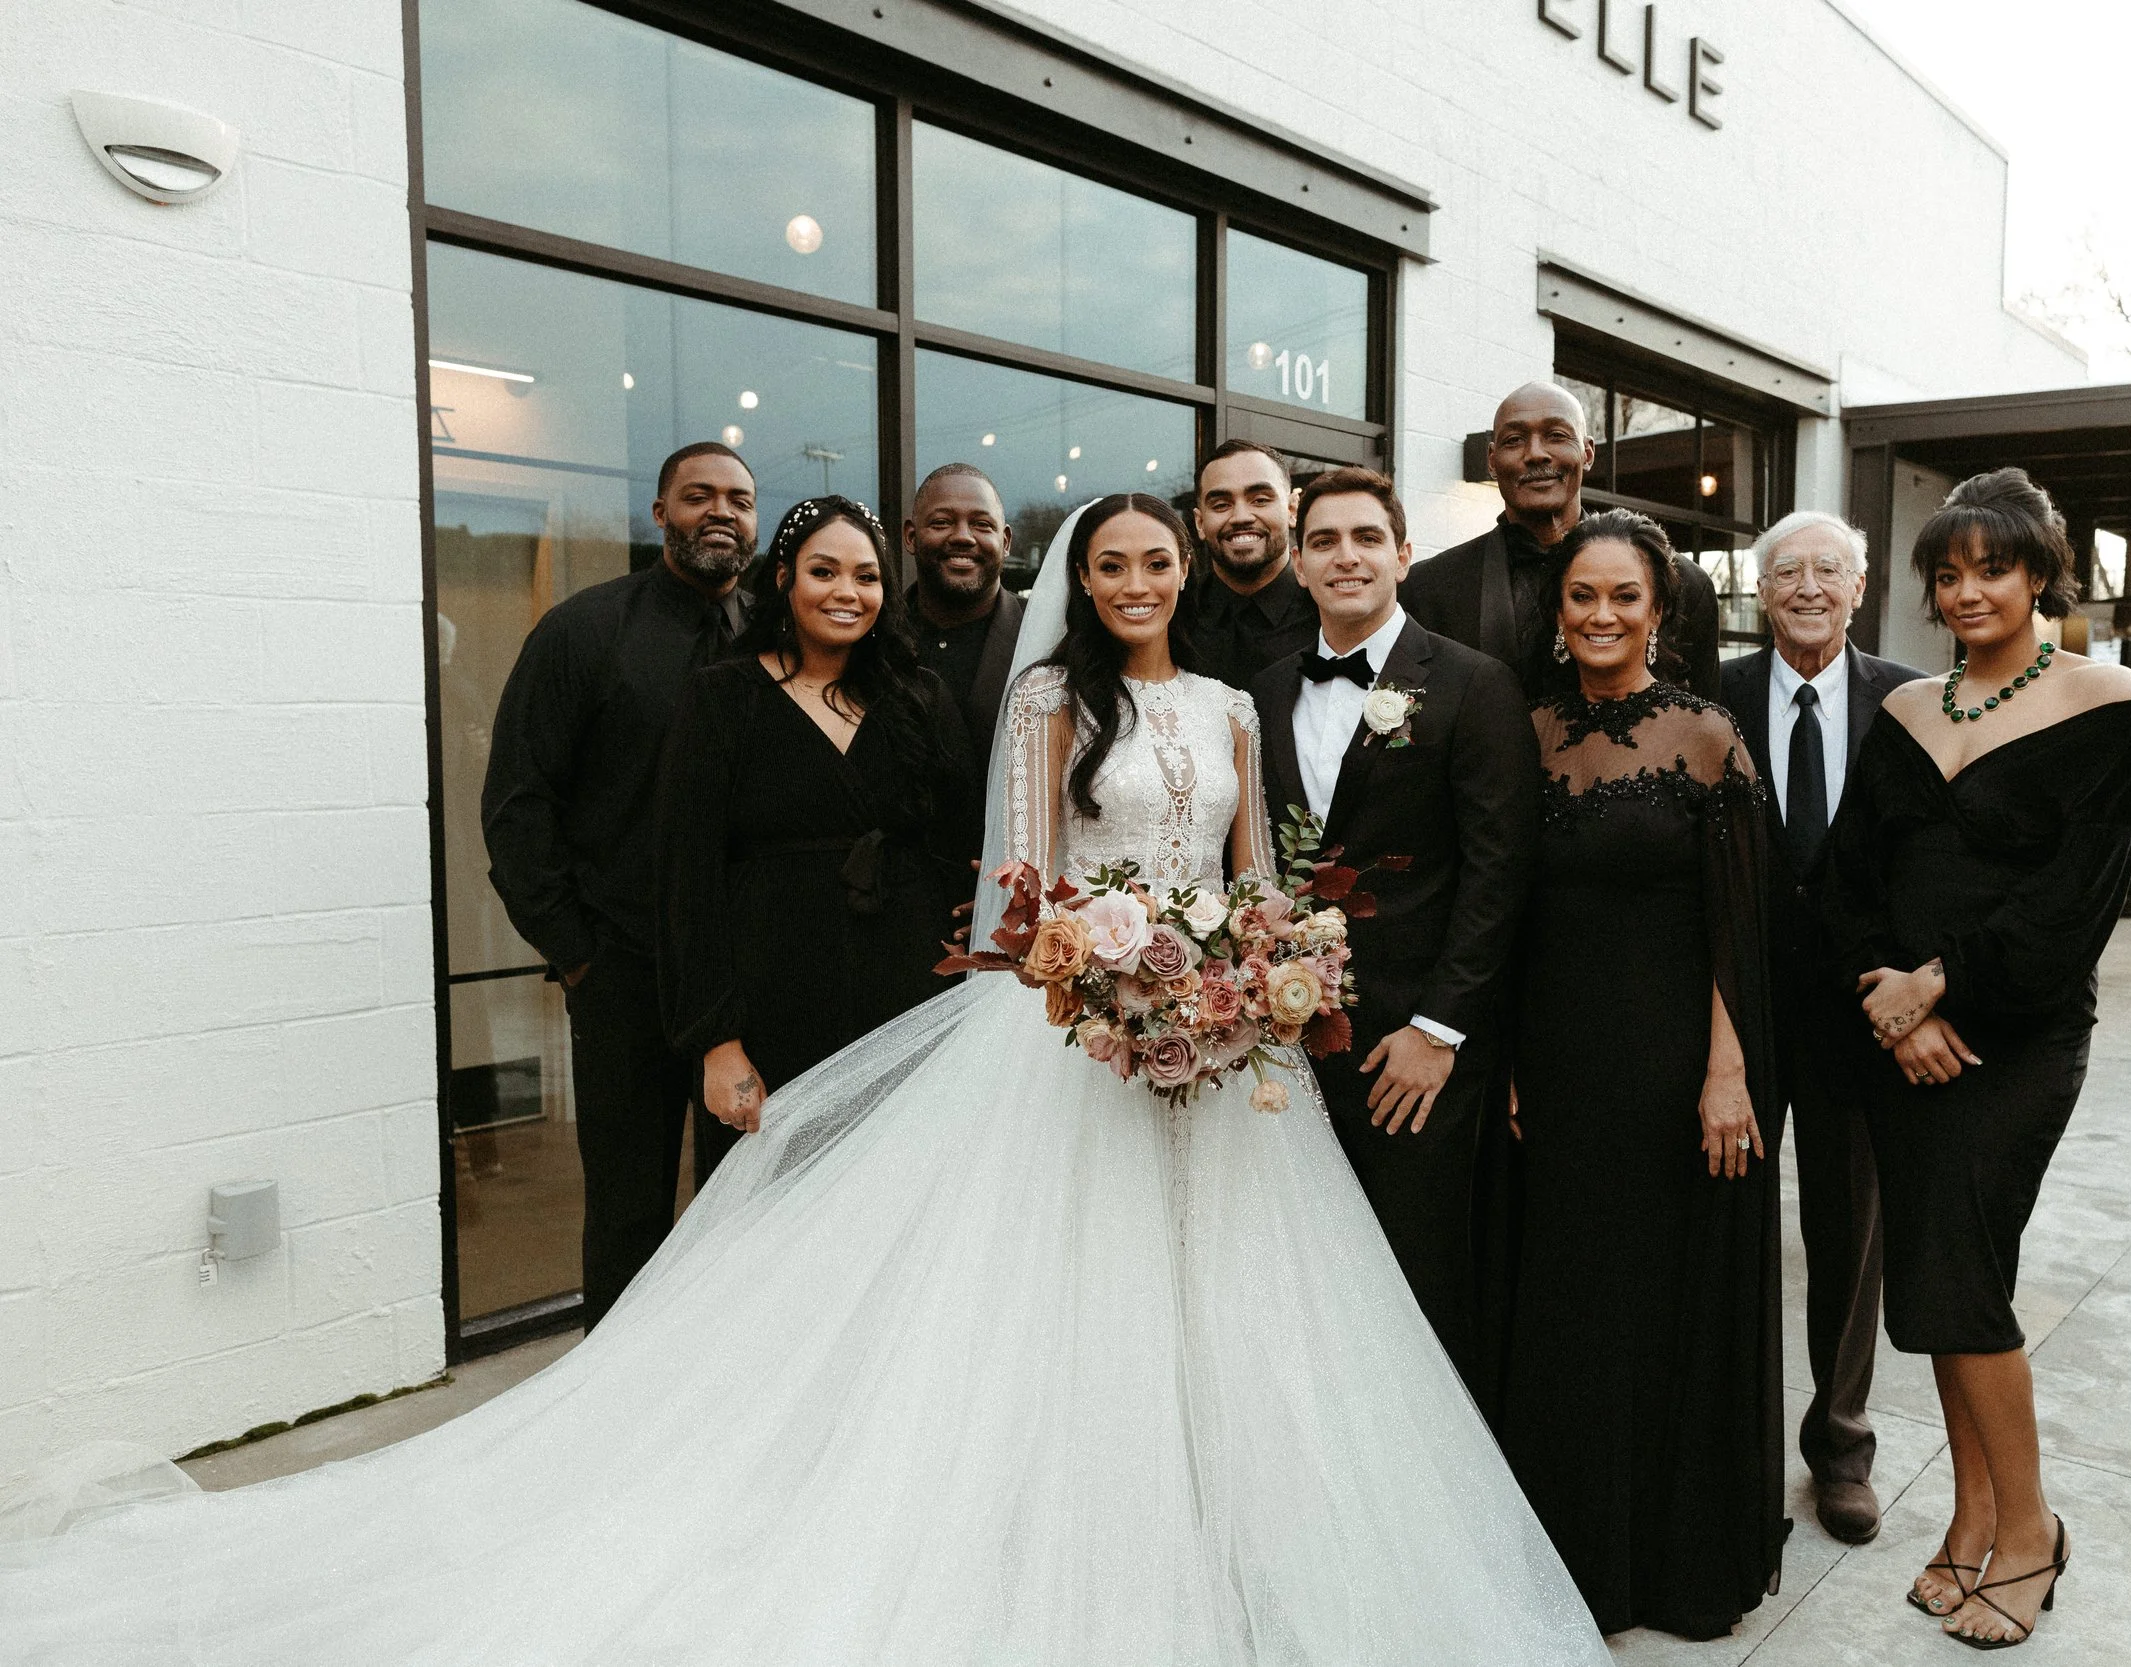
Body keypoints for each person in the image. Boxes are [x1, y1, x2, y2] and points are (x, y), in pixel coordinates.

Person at [0, 496, 1612, 1667]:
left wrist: (1254, 972)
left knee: (1238, 1301)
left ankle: (1240, 1529)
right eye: (1113, 559)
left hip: (1223, 1049)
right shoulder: (1054, 698)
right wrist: (1109, 980)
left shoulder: (1233, 707)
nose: (1137, 578)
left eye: (1157, 560)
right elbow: (1020, 889)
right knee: (1055, 1308)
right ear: (1087, 578)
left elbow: (1261, 873)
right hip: (1075, 1038)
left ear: (1189, 571)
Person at [1819, 468, 2131, 1650]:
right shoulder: (1908, 711)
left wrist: (1940, 982)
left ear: (2040, 574)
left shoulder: (2101, 700)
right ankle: (1969, 1522)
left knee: (1962, 1283)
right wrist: (1890, 1003)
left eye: (1990, 569)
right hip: (1900, 1040)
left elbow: (2078, 898)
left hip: (2015, 1041)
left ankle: (2033, 1531)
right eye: (1946, 574)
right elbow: (1847, 881)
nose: (1966, 592)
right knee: (1933, 1291)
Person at [1498, 509, 1786, 1640]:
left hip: (1677, 1067)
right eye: (1582, 597)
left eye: (1625, 596)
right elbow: (1505, 916)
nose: (1603, 615)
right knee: (1570, 1306)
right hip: (1557, 1068)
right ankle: (1578, 1558)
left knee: (1668, 1301)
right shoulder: (1517, 732)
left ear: (1660, 611)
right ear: (1556, 612)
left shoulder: (1707, 737)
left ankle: (1672, 1560)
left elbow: (1743, 927)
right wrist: (1512, 1059)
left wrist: (1729, 1072)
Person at [1248, 468, 1541, 1407]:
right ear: (1298, 564)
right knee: (1298, 1278)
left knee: (1414, 1285)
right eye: (1324, 541)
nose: (1346, 556)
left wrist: (1440, 1029)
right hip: (1289, 1050)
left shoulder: (1472, 683)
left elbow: (1500, 874)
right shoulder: (1259, 692)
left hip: (1412, 1054)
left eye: (1366, 537)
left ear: (1403, 555)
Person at [480, 440, 756, 1329]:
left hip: (744, 977)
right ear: (660, 514)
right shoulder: (583, 630)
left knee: (748, 1197)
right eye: (698, 496)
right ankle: (617, 1412)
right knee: (631, 1210)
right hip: (624, 973)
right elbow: (518, 803)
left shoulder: (777, 637)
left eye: (739, 500)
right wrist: (577, 955)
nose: (721, 512)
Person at [1718, 510, 1920, 1548]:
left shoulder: (1911, 701)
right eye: (1785, 571)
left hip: (1856, 1015)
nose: (1805, 586)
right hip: (1739, 1010)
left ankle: (1839, 1446)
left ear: (1858, 582)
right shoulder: (1718, 696)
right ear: (1761, 593)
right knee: (1730, 1223)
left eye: (1824, 570)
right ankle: (1731, 1447)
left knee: (1848, 1233)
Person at [655, 495, 978, 1141]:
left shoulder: (922, 696)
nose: (847, 592)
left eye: (867, 576)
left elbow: (960, 848)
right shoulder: (721, 697)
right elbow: (685, 879)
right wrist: (717, 1043)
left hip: (907, 995)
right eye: (824, 571)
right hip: (771, 1004)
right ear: (784, 579)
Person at [1400, 381, 1719, 700]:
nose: (1536, 454)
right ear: (1492, 461)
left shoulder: (1683, 583)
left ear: (1588, 452)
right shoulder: (1426, 588)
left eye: (1556, 436)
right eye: (1514, 440)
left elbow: (1704, 728)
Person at [901, 461, 1026, 772]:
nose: (963, 537)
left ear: (1006, 541)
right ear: (911, 537)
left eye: (982, 524)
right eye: (942, 522)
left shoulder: (1045, 635)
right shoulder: (873, 635)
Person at [1183, 437, 1318, 689]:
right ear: (1200, 523)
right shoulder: (1176, 619)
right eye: (1221, 505)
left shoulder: (1330, 612)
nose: (1241, 517)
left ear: (1292, 510)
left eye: (1260, 500)